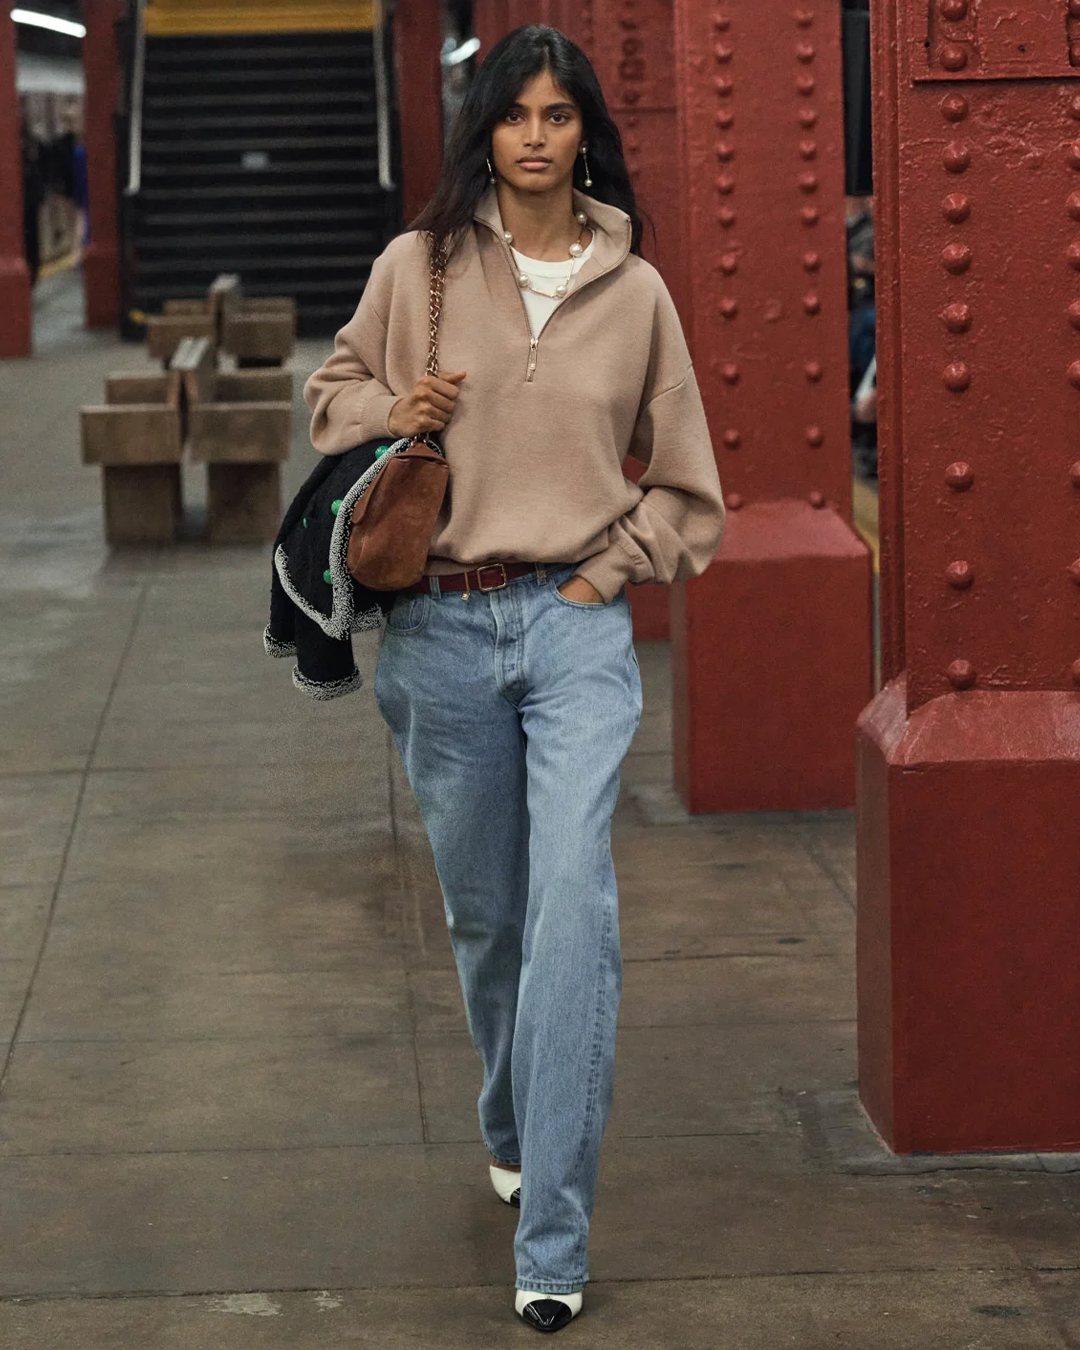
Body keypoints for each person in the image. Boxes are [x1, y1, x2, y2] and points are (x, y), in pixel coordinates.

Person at [303, 24, 725, 1333]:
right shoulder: (416, 267)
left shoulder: (637, 292)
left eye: (558, 114)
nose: (536, 136)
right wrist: (395, 411)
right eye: (514, 113)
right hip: (438, 631)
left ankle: (553, 1234)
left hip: (574, 633)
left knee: (572, 914)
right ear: (483, 129)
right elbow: (329, 396)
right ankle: (510, 1114)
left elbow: (689, 487)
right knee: (490, 919)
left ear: (586, 131)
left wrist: (610, 575)